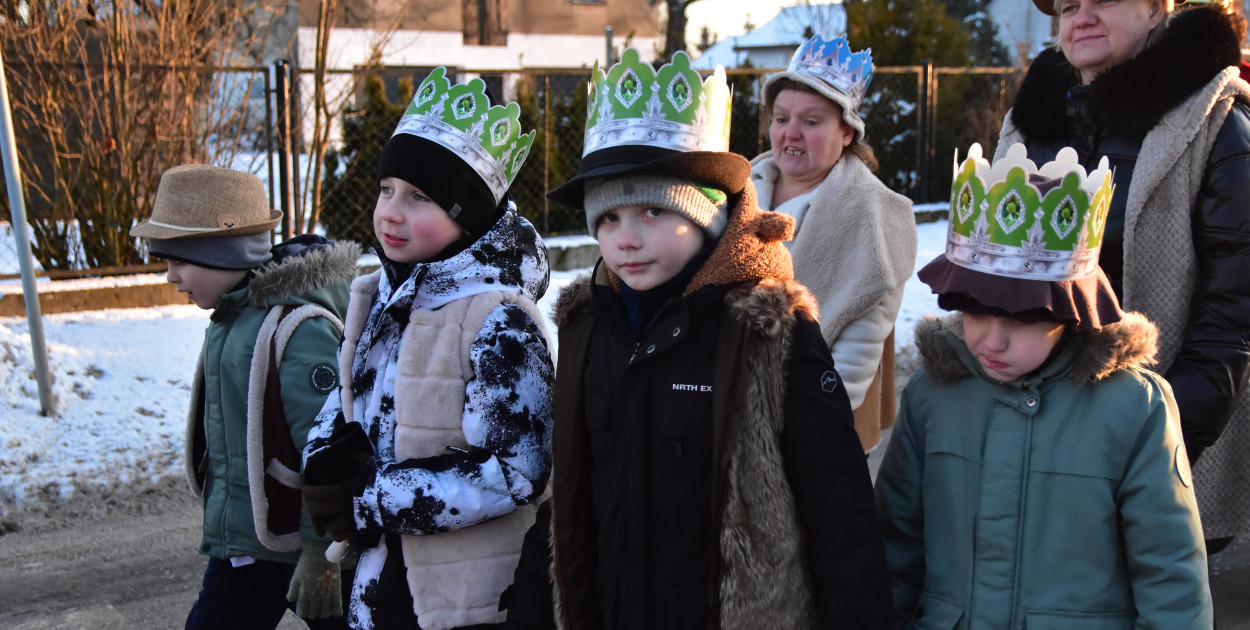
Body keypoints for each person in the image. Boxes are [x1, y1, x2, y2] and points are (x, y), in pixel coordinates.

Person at [505, 48, 892, 630]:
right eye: (607, 219)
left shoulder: (769, 331)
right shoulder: (590, 326)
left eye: (652, 213)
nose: (625, 240)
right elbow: (570, 495)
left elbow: (839, 511)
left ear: (708, 215)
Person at [876, 143, 1212, 629]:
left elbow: (1170, 573)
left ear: (1069, 311)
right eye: (973, 311)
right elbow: (895, 545)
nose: (991, 339)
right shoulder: (933, 395)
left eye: (1021, 319)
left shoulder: (1133, 408)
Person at [299, 67, 554, 630]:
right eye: (387, 190)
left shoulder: (499, 320)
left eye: (419, 198)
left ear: (465, 219)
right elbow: (348, 397)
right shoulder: (382, 296)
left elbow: (520, 471)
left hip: (461, 597)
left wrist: (368, 499)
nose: (390, 211)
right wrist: (323, 458)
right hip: (378, 585)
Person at [1002, 0, 1250, 549]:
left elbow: (1232, 318)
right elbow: (991, 282)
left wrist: (1152, 444)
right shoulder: (1030, 122)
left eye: (1104, 0)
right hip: (1032, 435)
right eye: (1068, 6)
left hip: (1153, 448)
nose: (1081, 17)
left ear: (1157, 9)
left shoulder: (1216, 124)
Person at [129, 164, 360, 629]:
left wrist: (322, 551)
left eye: (180, 261)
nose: (171, 276)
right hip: (247, 542)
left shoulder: (296, 328)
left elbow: (330, 444)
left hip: (299, 544)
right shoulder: (234, 318)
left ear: (224, 254)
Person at [750, 33, 916, 453]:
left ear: (846, 132)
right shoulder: (741, 190)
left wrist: (816, 423)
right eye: (782, 118)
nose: (791, 133)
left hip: (812, 422)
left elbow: (859, 346)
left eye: (811, 121)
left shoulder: (872, 212)